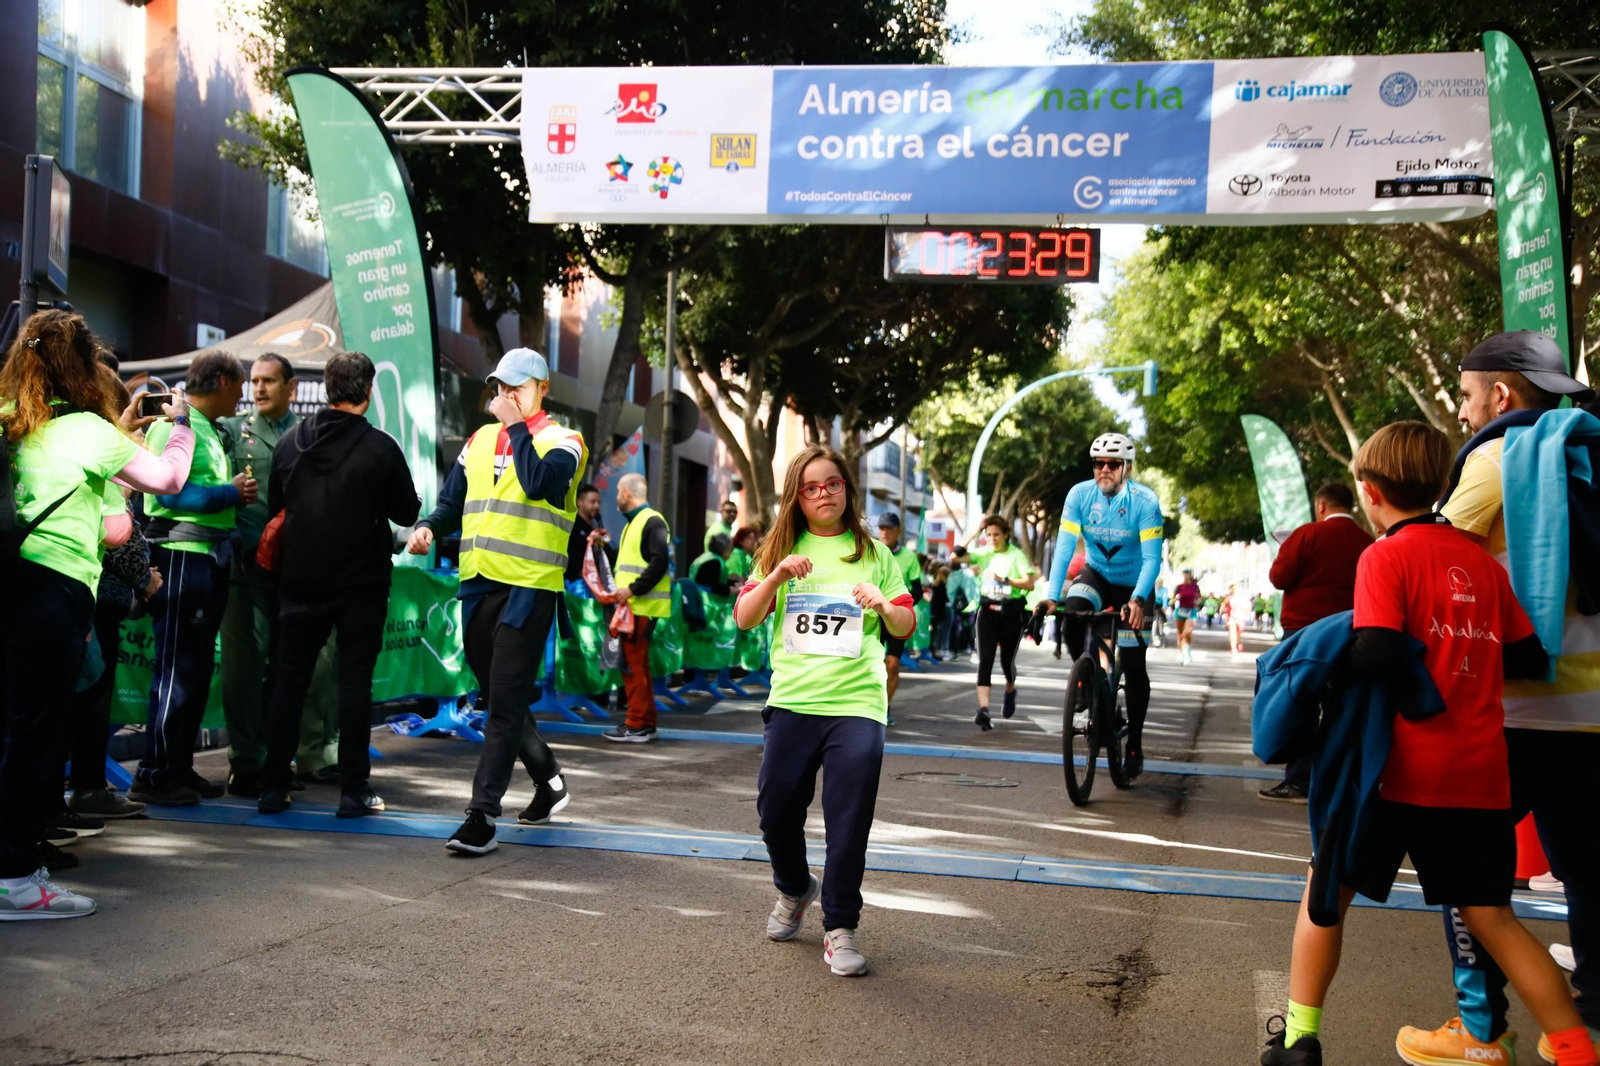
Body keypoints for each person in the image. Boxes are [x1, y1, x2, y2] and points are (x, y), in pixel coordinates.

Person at [1261, 422, 1597, 1066]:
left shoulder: (1383, 557)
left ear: (1369, 491)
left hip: (1391, 774)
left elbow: (1377, 649)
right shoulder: (1481, 564)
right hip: (1477, 775)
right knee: (1495, 919)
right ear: (1441, 483)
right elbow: (1529, 657)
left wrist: (1334, 653)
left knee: (1325, 897)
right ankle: (1578, 1049)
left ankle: (1299, 1040)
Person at [1395, 331, 1600, 1066]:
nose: (1463, 409)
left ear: (1501, 395)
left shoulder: (1496, 459)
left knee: (1465, 866)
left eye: (1466, 395)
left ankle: (1481, 1029)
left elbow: (1431, 557)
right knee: (1588, 870)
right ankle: (1587, 1024)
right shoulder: (1588, 452)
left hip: (1512, 708)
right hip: (1593, 710)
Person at [0, 310, 194, 919]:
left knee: (11, 730)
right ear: (81, 365)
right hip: (55, 592)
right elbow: (166, 479)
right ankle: (15, 878)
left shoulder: (8, 420)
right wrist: (181, 426)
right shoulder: (86, 429)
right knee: (35, 735)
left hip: (8, 582)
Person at [734, 444, 914, 977]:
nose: (823, 494)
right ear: (797, 497)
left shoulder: (874, 553)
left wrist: (884, 606)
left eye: (832, 484)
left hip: (857, 704)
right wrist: (775, 577)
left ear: (846, 488)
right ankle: (795, 888)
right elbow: (745, 617)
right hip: (793, 701)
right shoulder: (779, 548)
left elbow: (905, 623)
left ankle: (840, 927)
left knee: (848, 821)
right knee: (775, 812)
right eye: (810, 488)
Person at [407, 348, 586, 855]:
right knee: (499, 699)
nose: (505, 396)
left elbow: (538, 484)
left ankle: (481, 817)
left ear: (542, 389)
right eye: (500, 387)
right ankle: (550, 780)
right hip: (477, 584)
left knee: (504, 704)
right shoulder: (479, 439)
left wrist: (517, 426)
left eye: (517, 388)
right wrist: (428, 526)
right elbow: (452, 502)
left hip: (531, 587)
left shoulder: (566, 441)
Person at [256, 353, 419, 818]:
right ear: (368, 391)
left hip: (299, 579)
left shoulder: (289, 443)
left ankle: (273, 787)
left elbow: (275, 504)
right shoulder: (380, 447)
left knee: (289, 681)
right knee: (354, 684)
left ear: (328, 389)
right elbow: (407, 511)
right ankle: (353, 791)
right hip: (361, 585)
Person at [131, 351, 255, 807]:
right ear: (222, 381)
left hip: (207, 557)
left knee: (196, 671)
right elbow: (166, 494)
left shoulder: (205, 428)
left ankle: (177, 766)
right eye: (240, 383)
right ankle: (154, 773)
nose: (243, 394)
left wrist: (230, 497)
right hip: (182, 556)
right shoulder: (174, 425)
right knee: (177, 671)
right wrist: (229, 493)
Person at [219, 353, 338, 796]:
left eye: (269, 381)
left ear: (291, 387)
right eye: (254, 381)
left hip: (296, 567)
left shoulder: (311, 433)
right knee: (243, 666)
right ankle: (245, 760)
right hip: (245, 566)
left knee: (299, 665)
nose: (259, 389)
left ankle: (301, 755)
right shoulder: (231, 431)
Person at [57, 368, 160, 828]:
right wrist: (144, 579)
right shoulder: (97, 448)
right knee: (81, 703)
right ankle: (74, 796)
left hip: (74, 593)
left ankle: (62, 801)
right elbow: (119, 532)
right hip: (86, 593)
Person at [1039, 433, 1164, 778]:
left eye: (1112, 464)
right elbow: (1064, 548)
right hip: (1096, 574)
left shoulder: (1145, 501)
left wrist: (1138, 599)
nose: (1104, 469)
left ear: (1127, 468)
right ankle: (1088, 683)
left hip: (1135, 584)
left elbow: (1152, 559)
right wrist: (1052, 595)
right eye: (1098, 463)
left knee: (1133, 664)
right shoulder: (1079, 495)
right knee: (1073, 615)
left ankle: (1134, 743)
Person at [1260, 484, 1371, 804]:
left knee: (1301, 704)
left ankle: (1299, 780)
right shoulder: (1367, 541)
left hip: (1304, 633)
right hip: (1351, 633)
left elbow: (1279, 578)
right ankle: (1336, 781)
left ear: (1321, 506)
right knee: (1341, 706)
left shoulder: (1305, 535)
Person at [597, 473, 672, 742]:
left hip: (639, 606)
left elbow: (659, 561)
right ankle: (644, 722)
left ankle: (637, 723)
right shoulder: (639, 523)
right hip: (636, 607)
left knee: (633, 665)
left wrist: (633, 589)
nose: (617, 496)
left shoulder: (649, 521)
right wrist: (606, 547)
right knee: (636, 664)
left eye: (619, 491)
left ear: (627, 493)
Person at [964, 515, 1037, 730]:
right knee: (985, 660)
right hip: (987, 611)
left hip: (1010, 613)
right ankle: (984, 710)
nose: (992, 539)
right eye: (988, 535)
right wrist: (975, 532)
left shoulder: (1016, 555)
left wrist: (1004, 580)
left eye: (996, 534)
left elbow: (1030, 583)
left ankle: (1010, 690)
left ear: (1005, 535)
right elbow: (955, 556)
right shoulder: (983, 553)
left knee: (1007, 663)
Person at [875, 513, 922, 720]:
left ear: (898, 531)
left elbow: (917, 591)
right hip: (872, 616)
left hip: (895, 616)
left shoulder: (909, 557)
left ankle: (885, 708)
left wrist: (902, 610)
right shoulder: (871, 551)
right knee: (872, 664)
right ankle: (868, 708)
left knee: (892, 665)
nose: (885, 532)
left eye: (889, 528)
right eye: (882, 528)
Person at [565, 483, 610, 584]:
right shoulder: (573, 525)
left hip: (592, 581)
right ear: (579, 502)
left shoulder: (594, 528)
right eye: (592, 502)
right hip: (574, 583)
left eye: (599, 502)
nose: (597, 506)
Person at [948, 547, 978, 657]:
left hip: (955, 606)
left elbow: (949, 591)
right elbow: (974, 590)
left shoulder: (950, 577)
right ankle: (970, 648)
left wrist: (952, 602)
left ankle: (954, 649)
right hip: (970, 605)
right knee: (970, 628)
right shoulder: (968, 575)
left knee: (956, 627)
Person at [1173, 568, 1202, 664]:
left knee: (1187, 632)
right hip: (1180, 611)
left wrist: (1197, 602)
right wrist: (1176, 598)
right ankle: (1183, 654)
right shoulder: (1179, 587)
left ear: (1190, 575)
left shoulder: (1195, 587)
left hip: (1191, 611)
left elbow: (1200, 598)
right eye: (1183, 574)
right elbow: (1172, 600)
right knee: (1180, 634)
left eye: (1186, 574)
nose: (1185, 576)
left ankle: (1188, 649)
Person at [930, 565, 952, 661]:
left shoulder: (934, 585)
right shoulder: (944, 586)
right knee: (942, 632)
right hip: (942, 610)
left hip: (934, 611)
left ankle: (934, 650)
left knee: (935, 632)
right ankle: (940, 650)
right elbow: (946, 599)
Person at [1226, 583, 1251, 653]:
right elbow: (1224, 605)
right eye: (1232, 589)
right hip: (1232, 618)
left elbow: (1249, 607)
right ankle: (1233, 648)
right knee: (1232, 633)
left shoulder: (1244, 598)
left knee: (1238, 633)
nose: (1234, 591)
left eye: (1235, 589)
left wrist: (1242, 607)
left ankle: (1238, 643)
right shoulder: (1230, 597)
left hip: (1240, 618)